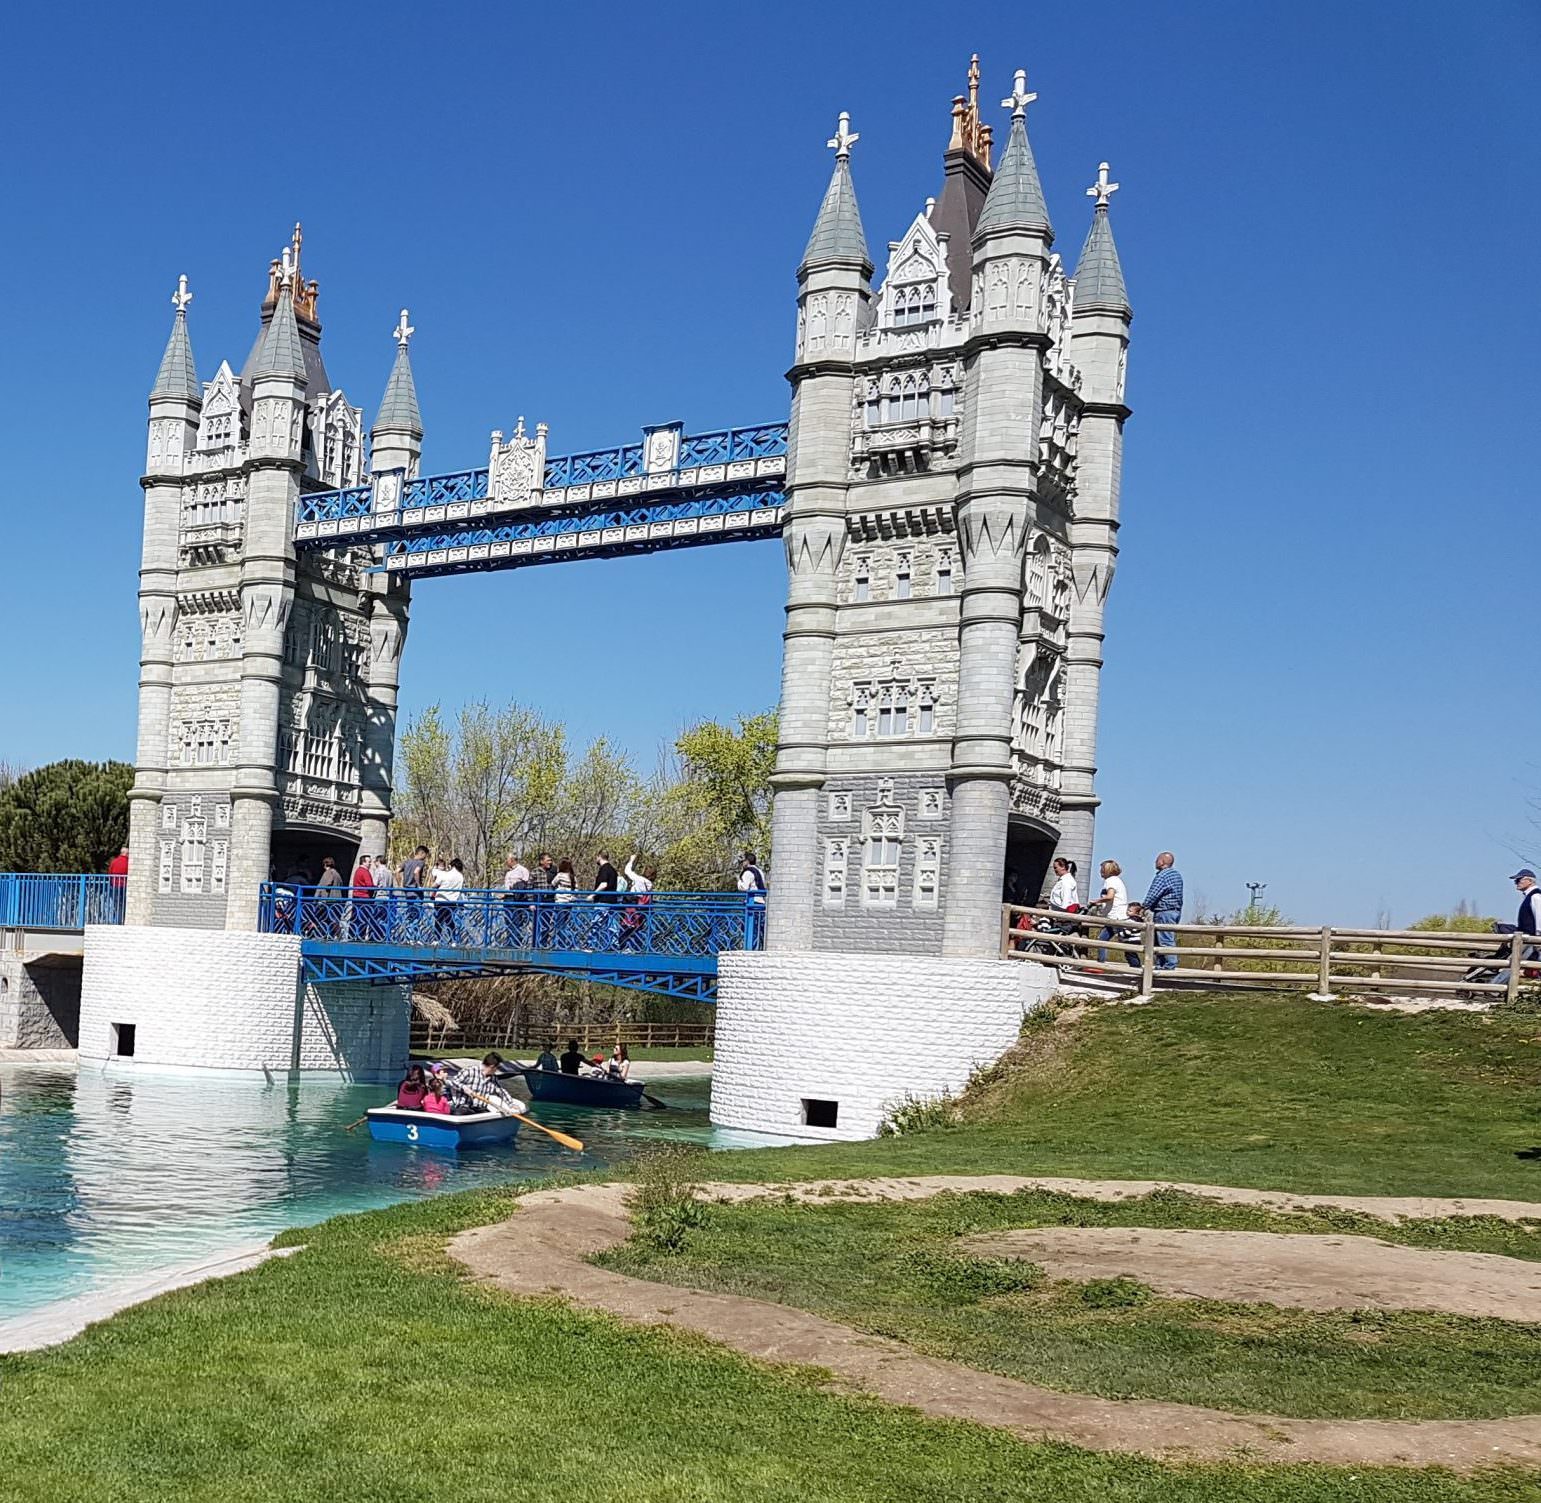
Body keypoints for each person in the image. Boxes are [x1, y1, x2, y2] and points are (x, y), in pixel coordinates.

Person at [1488, 869, 1541, 988]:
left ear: (1530, 881)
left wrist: (1538, 939)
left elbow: (1540, 919)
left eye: (1519, 880)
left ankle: (1493, 988)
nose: (1516, 883)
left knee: (1514, 964)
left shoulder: (1536, 896)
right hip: (1528, 939)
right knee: (1517, 964)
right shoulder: (1531, 896)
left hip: (1530, 940)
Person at [1136, 852, 1184, 971]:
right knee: (1162, 939)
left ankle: (1169, 966)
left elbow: (1153, 893)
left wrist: (1143, 907)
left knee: (1165, 939)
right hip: (1174, 911)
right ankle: (1161, 965)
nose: (1155, 862)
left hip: (1164, 911)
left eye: (1157, 860)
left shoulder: (1163, 875)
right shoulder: (1176, 875)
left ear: (1162, 862)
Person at [1088, 859, 1136, 967]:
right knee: (1103, 939)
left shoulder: (1111, 881)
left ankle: (1135, 965)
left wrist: (1097, 901)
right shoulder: (1117, 880)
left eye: (1102, 869)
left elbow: (1110, 896)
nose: (1100, 871)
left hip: (1116, 917)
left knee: (1125, 943)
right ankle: (1101, 964)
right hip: (1115, 916)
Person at [448, 1052, 526, 1117]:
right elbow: (452, 1082)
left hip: (480, 1109)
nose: (497, 1070)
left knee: (488, 1116)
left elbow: (501, 1091)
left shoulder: (493, 1078)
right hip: (464, 1107)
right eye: (497, 1067)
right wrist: (464, 1088)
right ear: (492, 1067)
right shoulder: (469, 1071)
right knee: (459, 1113)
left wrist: (511, 1104)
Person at [620, 855, 656, 950]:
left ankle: (624, 947)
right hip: (641, 908)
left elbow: (627, 871)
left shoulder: (639, 879)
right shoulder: (650, 884)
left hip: (632, 904)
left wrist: (631, 860)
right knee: (636, 928)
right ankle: (635, 947)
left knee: (626, 926)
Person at [501, 853, 532, 945]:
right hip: (507, 898)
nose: (506, 862)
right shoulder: (508, 872)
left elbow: (526, 885)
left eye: (507, 859)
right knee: (508, 920)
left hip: (516, 899)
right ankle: (509, 941)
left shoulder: (523, 870)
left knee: (516, 921)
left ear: (512, 860)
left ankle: (516, 942)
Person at [432, 857, 465, 941]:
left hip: (440, 901)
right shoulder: (460, 877)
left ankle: (436, 939)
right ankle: (453, 939)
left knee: (438, 921)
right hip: (452, 902)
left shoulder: (445, 875)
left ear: (451, 865)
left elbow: (434, 885)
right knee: (449, 921)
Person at [739, 850, 767, 948]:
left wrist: (739, 882)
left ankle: (750, 948)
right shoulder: (760, 871)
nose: (742, 863)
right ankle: (758, 947)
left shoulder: (748, 872)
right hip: (761, 902)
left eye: (743, 861)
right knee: (758, 928)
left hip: (752, 902)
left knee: (748, 927)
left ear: (747, 861)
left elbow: (744, 887)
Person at [350, 853, 379, 941]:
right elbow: (369, 885)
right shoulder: (365, 872)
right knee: (363, 918)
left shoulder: (358, 871)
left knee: (355, 917)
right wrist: (376, 887)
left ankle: (352, 936)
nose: (370, 864)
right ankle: (361, 936)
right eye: (368, 862)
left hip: (356, 896)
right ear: (363, 862)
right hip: (364, 898)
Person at [316, 856, 346, 937]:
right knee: (333, 918)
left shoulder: (328, 873)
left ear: (325, 864)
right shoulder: (337, 873)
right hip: (337, 899)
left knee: (330, 918)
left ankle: (335, 935)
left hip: (330, 899)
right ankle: (334, 935)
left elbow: (326, 885)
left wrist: (318, 897)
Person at [552, 857, 577, 946]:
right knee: (565, 923)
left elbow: (553, 883)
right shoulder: (572, 876)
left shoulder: (560, 875)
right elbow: (576, 888)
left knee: (559, 923)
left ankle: (560, 944)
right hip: (569, 902)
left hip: (560, 901)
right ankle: (565, 942)